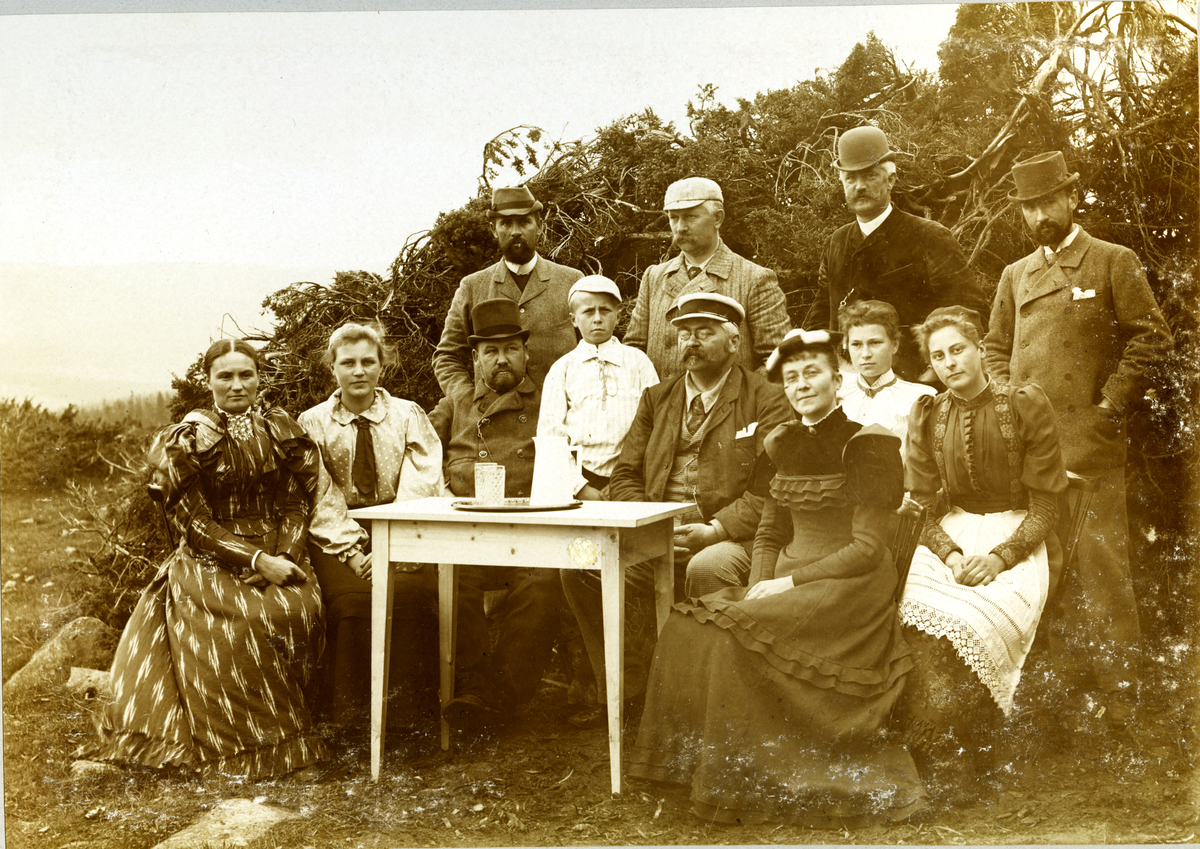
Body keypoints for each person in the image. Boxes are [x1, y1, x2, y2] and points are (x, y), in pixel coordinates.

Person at [626, 328, 927, 827]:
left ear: (838, 377)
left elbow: (868, 549)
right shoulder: (779, 441)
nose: (802, 385)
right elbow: (767, 532)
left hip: (850, 587)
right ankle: (693, 771)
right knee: (688, 628)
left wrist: (785, 587)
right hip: (786, 583)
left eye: (813, 373)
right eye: (792, 378)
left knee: (730, 644)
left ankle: (751, 782)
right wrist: (755, 592)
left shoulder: (869, 445)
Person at [983, 151, 1172, 728]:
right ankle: (1054, 708)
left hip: (1089, 446)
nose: (1040, 215)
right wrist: (1005, 401)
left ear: (1071, 198)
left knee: (1104, 574)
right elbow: (994, 347)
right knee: (1042, 575)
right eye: (1030, 207)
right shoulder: (1015, 275)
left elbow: (1152, 339)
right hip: (1028, 449)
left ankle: (1124, 705)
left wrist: (1108, 405)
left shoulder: (1113, 260)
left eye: (1048, 202)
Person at [84, 339, 327, 779]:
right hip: (212, 555)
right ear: (208, 380)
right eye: (225, 376)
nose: (237, 385)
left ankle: (302, 724)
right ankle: (253, 745)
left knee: (300, 606)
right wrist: (256, 562)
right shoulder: (189, 437)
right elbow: (193, 524)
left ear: (259, 378)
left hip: (277, 547)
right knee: (245, 620)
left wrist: (286, 555)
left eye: (246, 375)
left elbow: (295, 503)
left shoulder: (279, 427)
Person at [560, 293, 790, 728]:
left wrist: (717, 529)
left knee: (707, 567)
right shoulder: (657, 398)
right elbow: (625, 474)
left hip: (728, 537)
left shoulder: (766, 398)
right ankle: (628, 687)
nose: (692, 341)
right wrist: (650, 523)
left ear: (733, 342)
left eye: (705, 332)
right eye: (685, 332)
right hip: (655, 533)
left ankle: (701, 700)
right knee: (577, 562)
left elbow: (772, 488)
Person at [898, 306, 1068, 784]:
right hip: (950, 538)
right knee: (906, 607)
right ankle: (929, 742)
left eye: (958, 350)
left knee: (971, 616)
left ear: (978, 349)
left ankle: (962, 746)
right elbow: (926, 510)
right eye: (939, 356)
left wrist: (998, 558)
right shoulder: (928, 414)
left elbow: (1047, 509)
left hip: (1019, 537)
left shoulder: (1023, 403)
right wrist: (951, 554)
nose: (951, 363)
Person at [429, 298, 566, 728]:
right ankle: (471, 684)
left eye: (510, 349)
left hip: (530, 531)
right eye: (491, 351)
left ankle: (498, 693)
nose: (501, 359)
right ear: (475, 358)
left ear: (526, 353)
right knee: (450, 580)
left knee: (544, 584)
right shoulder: (458, 400)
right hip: (468, 529)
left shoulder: (549, 399)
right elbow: (419, 447)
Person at [299, 322, 443, 725]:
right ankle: (351, 718)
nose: (358, 371)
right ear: (333, 369)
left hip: (404, 529)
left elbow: (424, 479)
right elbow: (318, 492)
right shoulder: (312, 423)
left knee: (412, 595)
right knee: (352, 602)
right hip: (337, 536)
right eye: (348, 363)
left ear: (382, 366)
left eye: (368, 361)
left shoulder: (408, 414)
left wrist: (391, 545)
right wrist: (353, 551)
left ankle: (410, 719)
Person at [808, 126, 988, 382]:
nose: (859, 187)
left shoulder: (929, 236)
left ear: (890, 179)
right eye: (850, 178)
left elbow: (969, 312)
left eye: (869, 176)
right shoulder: (835, 243)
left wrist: (931, 377)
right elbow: (821, 313)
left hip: (914, 386)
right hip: (848, 386)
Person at [624, 177, 791, 382]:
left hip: (729, 410)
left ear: (718, 218)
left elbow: (778, 359)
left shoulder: (754, 278)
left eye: (691, 217)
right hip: (661, 408)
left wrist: (741, 401)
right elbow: (632, 354)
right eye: (674, 218)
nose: (680, 227)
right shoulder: (654, 277)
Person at [433, 185, 582, 398]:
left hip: (560, 420)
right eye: (505, 223)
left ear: (538, 226)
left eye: (524, 222)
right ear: (494, 230)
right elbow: (447, 356)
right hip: (493, 420)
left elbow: (594, 348)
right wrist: (466, 401)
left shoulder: (572, 281)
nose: (515, 232)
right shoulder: (472, 287)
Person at [538, 274, 659, 499]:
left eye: (605, 310)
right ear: (573, 319)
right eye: (588, 312)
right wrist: (579, 487)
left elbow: (656, 426)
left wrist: (625, 482)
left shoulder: (638, 362)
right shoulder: (562, 369)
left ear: (618, 315)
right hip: (578, 480)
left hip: (631, 477)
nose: (597, 319)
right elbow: (549, 436)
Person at [838, 299, 935, 452]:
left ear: (894, 345)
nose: (865, 354)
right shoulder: (837, 392)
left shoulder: (919, 397)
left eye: (875, 343)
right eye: (856, 344)